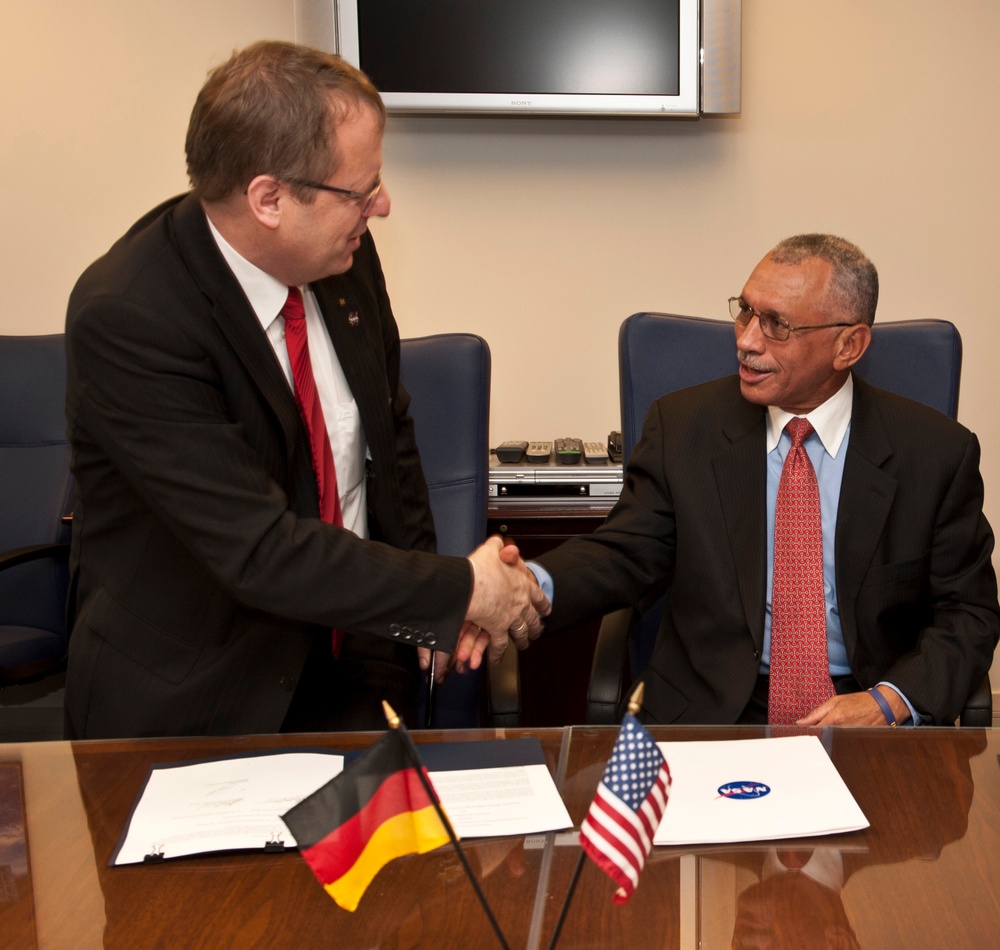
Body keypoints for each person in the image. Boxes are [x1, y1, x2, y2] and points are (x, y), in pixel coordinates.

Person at [64, 41, 546, 739]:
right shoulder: (132, 317)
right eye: (361, 190)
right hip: (197, 703)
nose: (381, 206)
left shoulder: (341, 256)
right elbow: (258, 548)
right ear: (269, 198)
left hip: (356, 663)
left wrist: (432, 618)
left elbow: (390, 439)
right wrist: (463, 588)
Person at [529, 234, 999, 726]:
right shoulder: (684, 427)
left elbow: (969, 615)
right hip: (713, 710)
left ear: (849, 345)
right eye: (746, 312)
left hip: (866, 709)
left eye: (777, 324)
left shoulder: (935, 453)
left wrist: (889, 703)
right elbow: (624, 554)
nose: (746, 340)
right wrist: (528, 585)